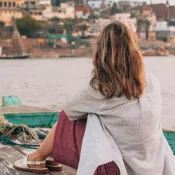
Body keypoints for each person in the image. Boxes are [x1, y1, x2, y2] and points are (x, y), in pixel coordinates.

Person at [14, 21, 175, 175]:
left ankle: (37, 157)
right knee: (94, 112)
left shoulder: (101, 89)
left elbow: (69, 110)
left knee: (76, 116)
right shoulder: (152, 81)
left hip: (115, 169)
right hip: (154, 168)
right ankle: (46, 156)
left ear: (102, 53)